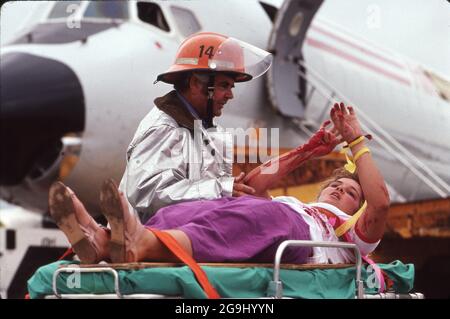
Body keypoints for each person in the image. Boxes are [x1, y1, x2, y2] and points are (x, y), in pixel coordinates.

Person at [49, 103, 390, 265]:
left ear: (355, 212)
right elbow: (253, 186)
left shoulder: (348, 235)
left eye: (351, 194)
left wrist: (356, 142)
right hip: (279, 218)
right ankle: (103, 240)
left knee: (263, 217)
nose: (340, 190)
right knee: (198, 207)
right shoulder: (299, 207)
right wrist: (308, 150)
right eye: (338, 185)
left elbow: (380, 204)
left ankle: (144, 246)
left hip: (295, 236)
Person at [119, 32, 273, 222]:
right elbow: (147, 194)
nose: (230, 95)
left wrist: (231, 190)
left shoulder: (198, 126)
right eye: (224, 85)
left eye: (231, 87)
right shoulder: (166, 128)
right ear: (195, 83)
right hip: (148, 245)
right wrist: (222, 189)